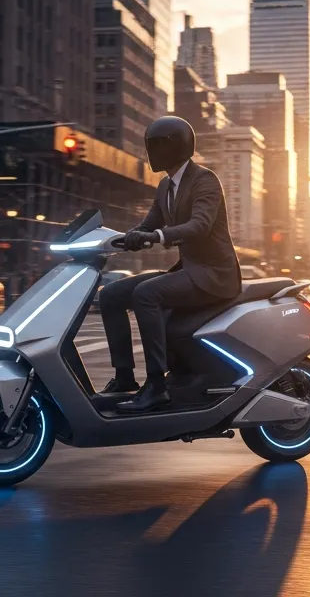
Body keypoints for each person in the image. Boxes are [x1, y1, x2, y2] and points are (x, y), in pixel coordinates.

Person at [98, 116, 242, 412]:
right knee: (110, 296)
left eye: (155, 146)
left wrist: (157, 236)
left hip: (213, 275)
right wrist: (111, 242)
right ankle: (124, 377)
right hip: (190, 271)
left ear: (175, 147)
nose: (149, 153)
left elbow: (199, 226)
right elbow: (147, 224)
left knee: (146, 294)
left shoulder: (205, 180)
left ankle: (156, 385)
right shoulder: (165, 186)